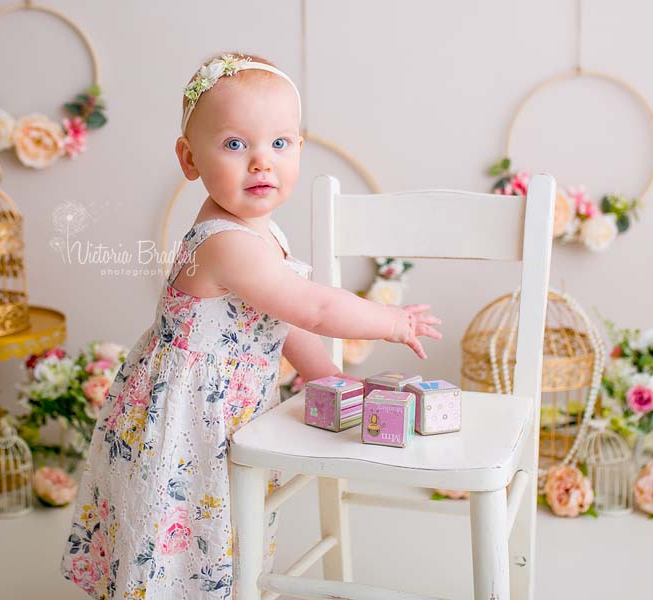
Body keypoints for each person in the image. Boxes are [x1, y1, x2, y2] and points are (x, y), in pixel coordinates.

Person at [61, 51, 442, 600]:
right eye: (236, 145)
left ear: (298, 150)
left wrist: (322, 374)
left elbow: (280, 319)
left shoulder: (261, 229)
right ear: (189, 159)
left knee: (226, 525)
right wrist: (390, 320)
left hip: (225, 407)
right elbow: (312, 307)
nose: (261, 162)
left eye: (279, 144)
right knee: (188, 528)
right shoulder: (225, 244)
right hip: (188, 413)